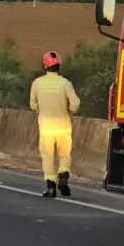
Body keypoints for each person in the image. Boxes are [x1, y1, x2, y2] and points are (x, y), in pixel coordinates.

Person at [30, 51, 81, 198]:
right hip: (64, 126)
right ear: (59, 66)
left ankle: (50, 187)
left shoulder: (37, 83)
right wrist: (69, 112)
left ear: (45, 66)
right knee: (65, 155)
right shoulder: (65, 83)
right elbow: (76, 103)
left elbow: (33, 105)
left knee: (48, 157)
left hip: (46, 127)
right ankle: (63, 176)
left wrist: (42, 110)